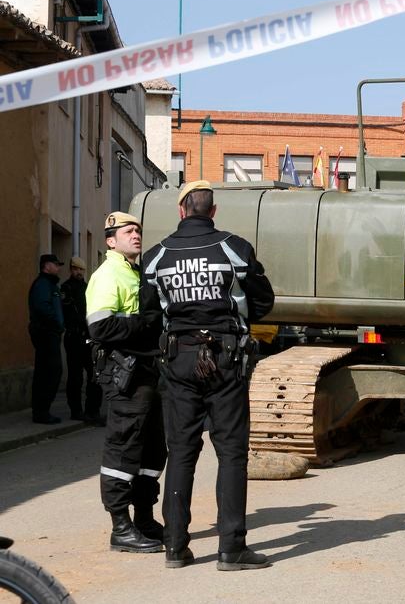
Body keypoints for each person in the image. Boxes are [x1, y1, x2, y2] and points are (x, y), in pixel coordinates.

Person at [141, 180, 275, 571]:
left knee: (180, 452)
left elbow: (149, 314)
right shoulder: (234, 248)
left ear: (182, 211)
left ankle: (174, 547)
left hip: (178, 359)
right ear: (212, 211)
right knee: (231, 454)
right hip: (226, 357)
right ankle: (231, 550)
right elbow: (263, 302)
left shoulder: (155, 256)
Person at [86, 212, 167, 553]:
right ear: (111, 240)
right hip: (124, 375)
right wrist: (145, 324)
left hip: (147, 371)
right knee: (124, 448)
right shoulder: (108, 274)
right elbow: (100, 328)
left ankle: (144, 518)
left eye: (138, 230)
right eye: (127, 231)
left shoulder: (137, 272)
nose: (136, 235)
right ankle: (120, 526)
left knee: (151, 449)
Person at [28, 253, 65, 424]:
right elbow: (42, 307)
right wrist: (56, 324)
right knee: (49, 371)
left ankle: (42, 410)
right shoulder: (43, 284)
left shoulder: (50, 285)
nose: (58, 268)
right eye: (55, 264)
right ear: (46, 266)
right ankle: (41, 412)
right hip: (45, 333)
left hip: (50, 333)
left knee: (49, 371)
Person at [62, 256, 99, 423]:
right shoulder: (66, 288)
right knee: (75, 376)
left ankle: (93, 411)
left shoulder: (87, 288)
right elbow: (69, 314)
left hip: (88, 337)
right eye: (76, 269)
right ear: (71, 269)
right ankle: (76, 411)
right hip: (74, 336)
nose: (78, 272)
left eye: (81, 270)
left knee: (94, 373)